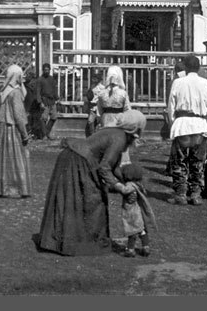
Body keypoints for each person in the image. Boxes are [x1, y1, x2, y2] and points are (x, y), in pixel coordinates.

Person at [36, 110, 147, 256]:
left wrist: (129, 182)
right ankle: (78, 242)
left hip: (73, 157)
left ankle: (62, 240)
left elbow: (113, 166)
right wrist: (120, 187)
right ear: (136, 129)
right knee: (93, 200)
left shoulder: (115, 133)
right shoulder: (119, 138)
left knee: (75, 201)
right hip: (77, 161)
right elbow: (105, 167)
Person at [165, 55, 207, 206]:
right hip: (200, 123)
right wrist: (203, 119)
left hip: (182, 124)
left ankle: (180, 194)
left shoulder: (178, 83)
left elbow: (171, 106)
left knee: (180, 161)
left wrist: (174, 123)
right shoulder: (206, 83)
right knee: (198, 161)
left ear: (185, 67)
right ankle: (196, 194)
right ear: (198, 68)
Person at [0, 64, 32, 197]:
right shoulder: (15, 92)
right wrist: (25, 134)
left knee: (2, 159)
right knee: (15, 159)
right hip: (12, 129)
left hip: (2, 128)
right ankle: (14, 189)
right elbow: (19, 116)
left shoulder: (3, 91)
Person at [115, 163, 155, 258]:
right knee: (142, 230)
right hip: (138, 211)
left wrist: (116, 185)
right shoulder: (139, 184)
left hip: (132, 212)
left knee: (132, 231)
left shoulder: (130, 185)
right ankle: (146, 247)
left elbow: (125, 190)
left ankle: (130, 250)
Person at [96, 65, 129, 129]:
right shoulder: (123, 93)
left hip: (105, 121)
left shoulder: (102, 93)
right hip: (119, 121)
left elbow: (99, 112)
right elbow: (127, 110)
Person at [37, 63, 59, 139]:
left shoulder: (52, 79)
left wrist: (57, 98)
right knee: (43, 118)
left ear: (50, 70)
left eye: (48, 69)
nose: (46, 71)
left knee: (54, 117)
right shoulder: (40, 79)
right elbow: (38, 92)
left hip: (52, 101)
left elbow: (54, 89)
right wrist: (40, 102)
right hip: (44, 101)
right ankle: (44, 135)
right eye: (45, 70)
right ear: (43, 70)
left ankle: (47, 132)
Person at [23, 68, 45, 140]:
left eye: (28, 75)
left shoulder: (37, 84)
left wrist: (40, 102)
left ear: (31, 76)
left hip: (35, 104)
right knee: (30, 119)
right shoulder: (25, 84)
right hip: (28, 103)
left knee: (35, 120)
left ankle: (37, 135)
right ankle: (31, 134)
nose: (26, 76)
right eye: (26, 75)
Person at [83, 70, 104, 136]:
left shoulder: (102, 88)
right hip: (92, 108)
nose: (94, 79)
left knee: (100, 123)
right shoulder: (92, 87)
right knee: (90, 121)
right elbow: (88, 97)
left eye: (96, 78)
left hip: (99, 108)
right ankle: (92, 136)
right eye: (94, 77)